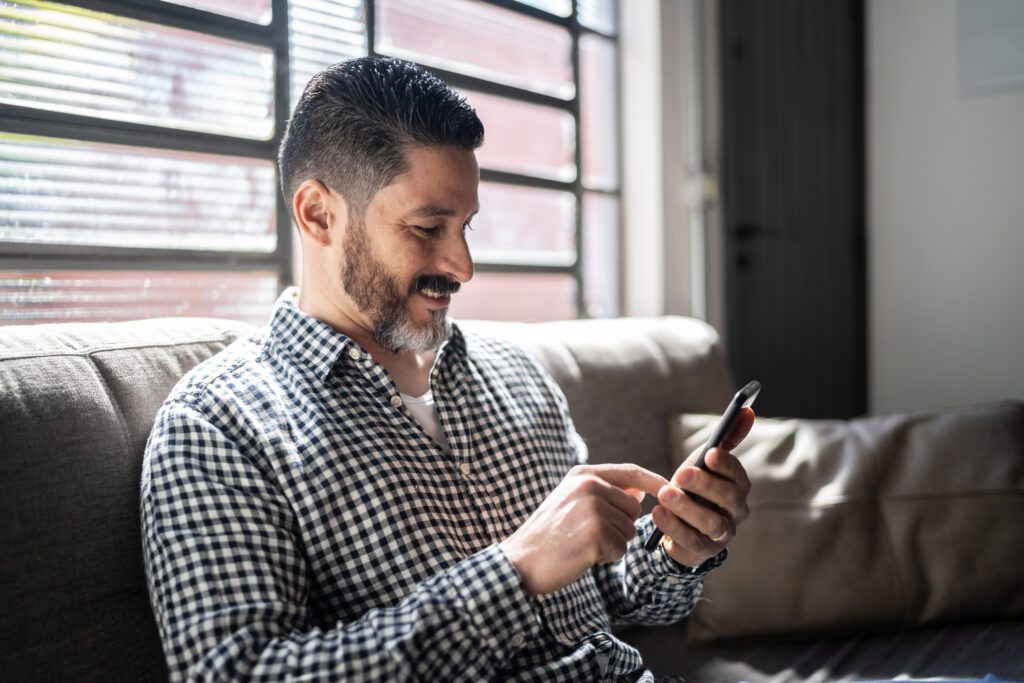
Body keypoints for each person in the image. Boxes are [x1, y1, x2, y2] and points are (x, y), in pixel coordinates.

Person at [141, 56, 754, 682]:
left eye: (465, 226)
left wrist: (679, 549)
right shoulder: (216, 427)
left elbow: (606, 597)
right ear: (317, 214)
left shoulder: (516, 375)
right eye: (428, 226)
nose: (462, 264)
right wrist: (513, 573)